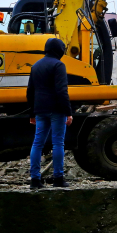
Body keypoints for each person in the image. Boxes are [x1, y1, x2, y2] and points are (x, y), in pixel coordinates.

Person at [26, 38, 74, 189]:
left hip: (40, 110)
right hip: (57, 110)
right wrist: (68, 112)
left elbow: (30, 92)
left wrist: (32, 113)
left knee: (37, 143)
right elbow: (62, 91)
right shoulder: (58, 65)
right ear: (59, 50)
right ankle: (58, 179)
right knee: (58, 143)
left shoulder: (35, 66)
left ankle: (35, 180)